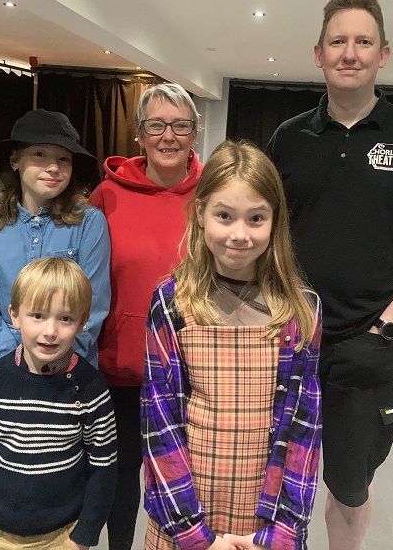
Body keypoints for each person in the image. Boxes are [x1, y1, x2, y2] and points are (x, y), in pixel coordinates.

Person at [265, 0, 393, 550]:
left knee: (349, 487)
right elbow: (262, 231)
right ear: (318, 54)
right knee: (267, 475)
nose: (349, 53)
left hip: (367, 347)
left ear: (383, 54)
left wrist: (387, 329)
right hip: (287, 337)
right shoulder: (288, 139)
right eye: (337, 41)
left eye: (363, 42)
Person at [141, 141, 322, 550]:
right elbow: (159, 423)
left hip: (264, 516)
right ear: (200, 213)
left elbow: (305, 430)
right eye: (224, 216)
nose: (239, 234)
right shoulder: (171, 303)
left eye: (256, 218)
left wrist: (283, 531)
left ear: (275, 221)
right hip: (187, 512)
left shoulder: (301, 311)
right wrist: (193, 534)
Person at [87, 82, 204, 550]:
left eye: (180, 125)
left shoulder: (213, 194)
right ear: (138, 134)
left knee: (185, 484)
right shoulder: (107, 196)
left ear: (195, 133)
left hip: (192, 372)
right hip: (120, 369)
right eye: (156, 125)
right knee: (118, 479)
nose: (168, 136)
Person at [0, 257, 117, 550]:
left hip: (63, 536)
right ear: (15, 315)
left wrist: (83, 537)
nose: (50, 331)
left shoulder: (91, 389)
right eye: (38, 316)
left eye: (65, 318)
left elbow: (103, 467)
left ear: (82, 322)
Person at [0, 109, 111, 367]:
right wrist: (18, 367)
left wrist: (51, 366)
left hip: (71, 371)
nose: (53, 167)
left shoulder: (89, 224)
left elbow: (93, 308)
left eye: (63, 159)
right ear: (15, 160)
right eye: (40, 154)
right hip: (5, 369)